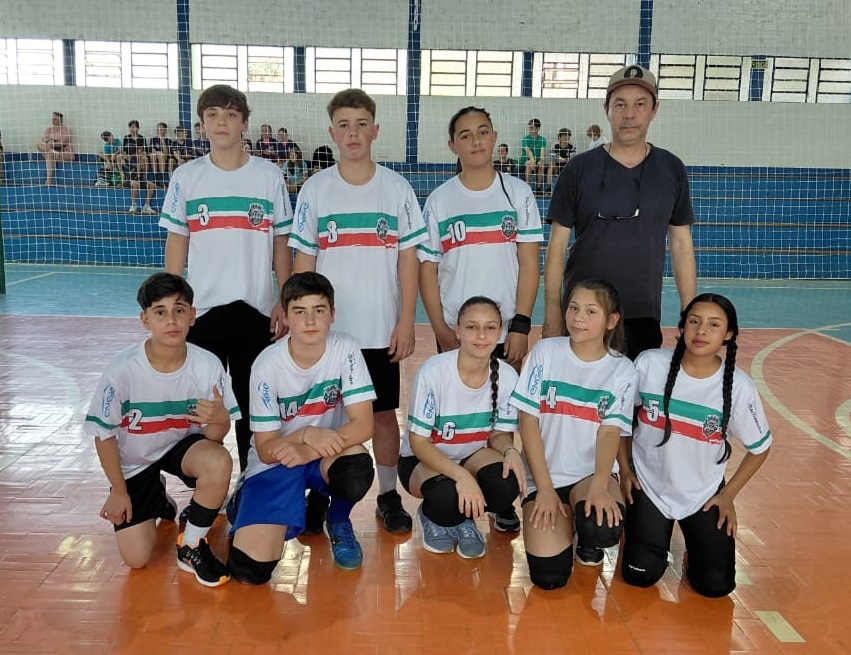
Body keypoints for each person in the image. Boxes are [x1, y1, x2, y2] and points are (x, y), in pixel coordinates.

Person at [290, 88, 427, 535]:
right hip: (326, 332)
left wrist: (406, 320)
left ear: (375, 130)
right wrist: (299, 322)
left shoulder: (396, 188)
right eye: (344, 126)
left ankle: (387, 495)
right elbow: (304, 261)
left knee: (383, 414)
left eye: (361, 124)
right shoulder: (316, 189)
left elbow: (409, 260)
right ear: (332, 133)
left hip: (379, 328)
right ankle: (319, 491)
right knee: (325, 415)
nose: (353, 133)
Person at [418, 106, 542, 533]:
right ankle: (453, 488)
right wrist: (440, 328)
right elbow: (428, 269)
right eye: (466, 134)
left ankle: (501, 495)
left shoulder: (518, 193)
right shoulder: (440, 200)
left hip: (503, 331)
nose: (475, 141)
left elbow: (529, 261)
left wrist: (521, 324)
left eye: (483, 132)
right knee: (456, 412)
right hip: (458, 332)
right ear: (452, 145)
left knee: (502, 414)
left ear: (494, 137)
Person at [160, 84, 293, 472]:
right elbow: (177, 240)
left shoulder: (268, 175)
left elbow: (280, 242)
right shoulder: (187, 177)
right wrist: (172, 304)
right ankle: (207, 482)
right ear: (201, 125)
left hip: (256, 310)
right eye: (213, 115)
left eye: (231, 115)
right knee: (205, 405)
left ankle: (251, 480)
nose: (222, 122)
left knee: (255, 405)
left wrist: (283, 299)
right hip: (203, 311)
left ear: (244, 124)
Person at [83, 272, 238, 587]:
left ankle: (191, 545)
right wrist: (119, 491)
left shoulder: (207, 365)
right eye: (160, 312)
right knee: (137, 558)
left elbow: (214, 438)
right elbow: (104, 435)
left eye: (179, 310)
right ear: (145, 319)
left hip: (182, 447)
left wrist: (221, 418)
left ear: (192, 315)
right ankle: (157, 497)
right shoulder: (122, 369)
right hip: (135, 460)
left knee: (218, 461)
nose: (171, 320)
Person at [618, 293, 772, 598]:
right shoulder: (650, 364)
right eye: (694, 321)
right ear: (682, 327)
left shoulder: (739, 386)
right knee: (640, 573)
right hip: (648, 485)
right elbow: (620, 421)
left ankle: (695, 550)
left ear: (728, 334)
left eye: (714, 325)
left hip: (704, 494)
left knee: (715, 585)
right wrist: (624, 469)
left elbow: (760, 448)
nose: (701, 331)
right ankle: (644, 537)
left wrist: (728, 495)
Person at [226, 272, 377, 581]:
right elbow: (266, 450)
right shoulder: (267, 364)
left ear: (332, 314)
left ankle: (338, 520)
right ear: (285, 316)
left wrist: (308, 450)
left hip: (320, 454)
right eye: (299, 311)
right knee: (250, 570)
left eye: (318, 310)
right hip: (278, 462)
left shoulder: (345, 349)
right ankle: (244, 498)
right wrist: (306, 434)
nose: (310, 321)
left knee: (356, 469)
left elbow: (364, 425)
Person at [544, 64, 697, 360]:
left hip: (642, 315)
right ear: (607, 110)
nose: (629, 114)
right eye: (620, 104)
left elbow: (681, 244)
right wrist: (552, 309)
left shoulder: (671, 168)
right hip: (583, 315)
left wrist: (689, 311)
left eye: (640, 104)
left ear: (654, 110)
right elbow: (557, 245)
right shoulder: (578, 168)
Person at [510, 280, 638, 589]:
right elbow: (528, 422)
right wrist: (544, 489)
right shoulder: (546, 352)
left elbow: (610, 432)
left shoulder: (623, 369)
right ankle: (565, 520)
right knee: (549, 577)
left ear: (611, 320)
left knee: (601, 527)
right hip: (544, 475)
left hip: (589, 475)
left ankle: (586, 535)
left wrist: (599, 486)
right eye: (573, 308)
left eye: (591, 311)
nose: (578, 317)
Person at [400, 296, 523, 559]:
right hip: (423, 460)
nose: (481, 335)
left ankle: (464, 520)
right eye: (471, 327)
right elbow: (419, 443)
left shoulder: (507, 376)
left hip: (471, 455)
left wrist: (510, 450)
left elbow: (499, 435)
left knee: (506, 484)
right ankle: (434, 516)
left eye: (490, 327)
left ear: (500, 331)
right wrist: (462, 477)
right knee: (446, 497)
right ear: (457, 331)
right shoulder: (434, 372)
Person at [36, 111, 74, 186]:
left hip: (63, 153)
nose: (53, 120)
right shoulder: (48, 129)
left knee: (50, 154)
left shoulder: (65, 130)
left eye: (55, 119)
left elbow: (64, 141)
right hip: (51, 150)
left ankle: (49, 180)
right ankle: (52, 151)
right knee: (39, 145)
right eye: (52, 119)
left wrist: (52, 143)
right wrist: (49, 142)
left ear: (60, 120)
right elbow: (44, 140)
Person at [519, 118, 546, 191]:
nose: (529, 130)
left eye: (532, 128)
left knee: (541, 164)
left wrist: (541, 160)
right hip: (527, 160)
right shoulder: (525, 139)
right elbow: (528, 151)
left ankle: (538, 187)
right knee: (529, 163)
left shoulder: (542, 139)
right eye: (529, 128)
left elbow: (542, 151)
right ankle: (527, 186)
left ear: (537, 129)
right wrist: (532, 160)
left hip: (536, 161)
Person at [546, 128, 575, 192]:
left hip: (567, 166)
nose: (566, 137)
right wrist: (558, 159)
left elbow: (572, 159)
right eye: (564, 136)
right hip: (556, 166)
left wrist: (563, 160)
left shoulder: (572, 146)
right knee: (551, 165)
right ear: (560, 137)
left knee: (573, 166)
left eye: (568, 136)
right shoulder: (555, 145)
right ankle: (548, 187)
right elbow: (551, 157)